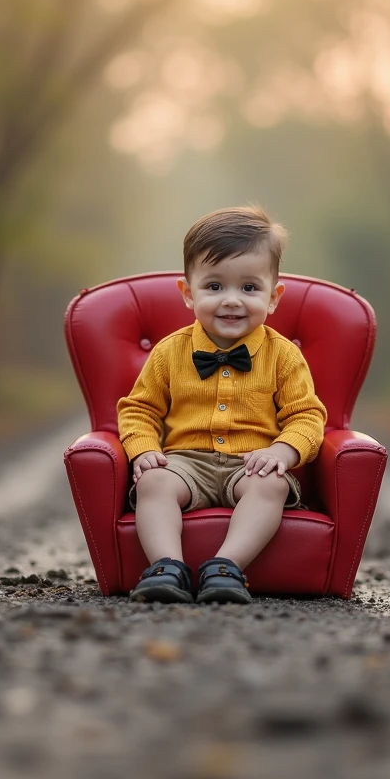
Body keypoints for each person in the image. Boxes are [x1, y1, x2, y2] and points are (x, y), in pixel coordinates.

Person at [117, 205, 327, 605]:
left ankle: (225, 567)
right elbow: (138, 410)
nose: (231, 300)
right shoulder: (169, 353)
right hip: (185, 462)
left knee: (272, 486)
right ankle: (166, 567)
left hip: (253, 462)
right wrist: (143, 450)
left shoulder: (283, 356)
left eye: (249, 288)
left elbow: (306, 414)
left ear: (273, 297)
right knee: (153, 483)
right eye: (214, 287)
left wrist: (283, 451)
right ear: (187, 293)